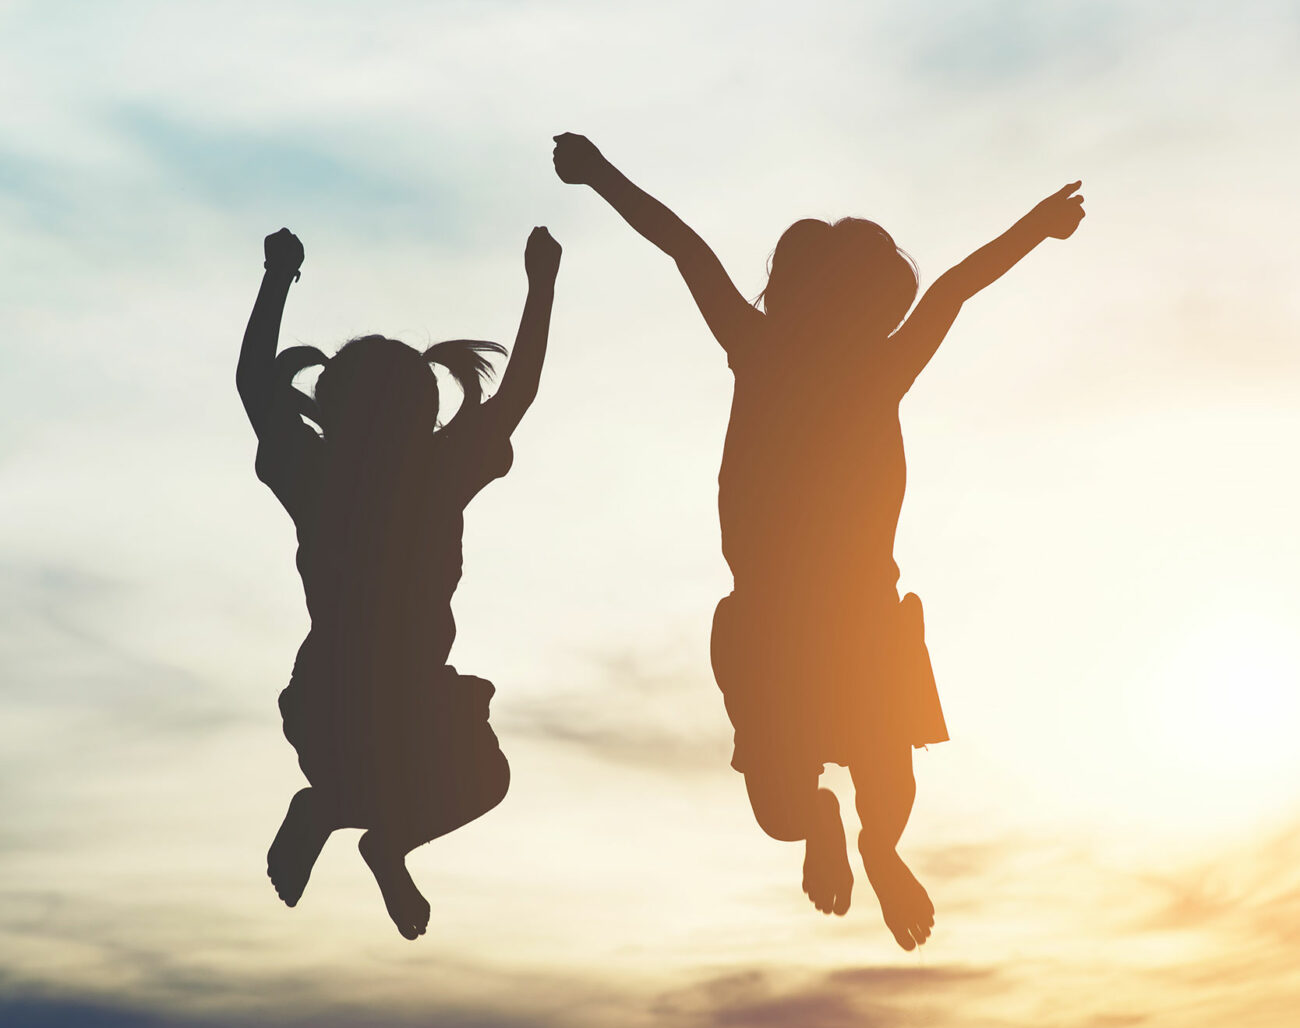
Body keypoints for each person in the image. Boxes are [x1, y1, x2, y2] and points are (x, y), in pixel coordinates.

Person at [554, 133, 1084, 949]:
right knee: (785, 803)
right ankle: (835, 831)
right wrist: (598, 176)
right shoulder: (776, 351)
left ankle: (874, 844)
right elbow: (683, 245)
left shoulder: (846, 360)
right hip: (777, 619)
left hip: (856, 617)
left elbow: (952, 287)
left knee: (885, 779)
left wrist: (1035, 228)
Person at [236, 224, 561, 939]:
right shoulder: (434, 478)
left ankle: (363, 830)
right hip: (394, 693)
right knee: (477, 779)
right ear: (425, 414)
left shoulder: (319, 476)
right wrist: (541, 285)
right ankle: (364, 831)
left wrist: (277, 274)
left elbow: (254, 386)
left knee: (435, 779)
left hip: (334, 695)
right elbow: (520, 392)